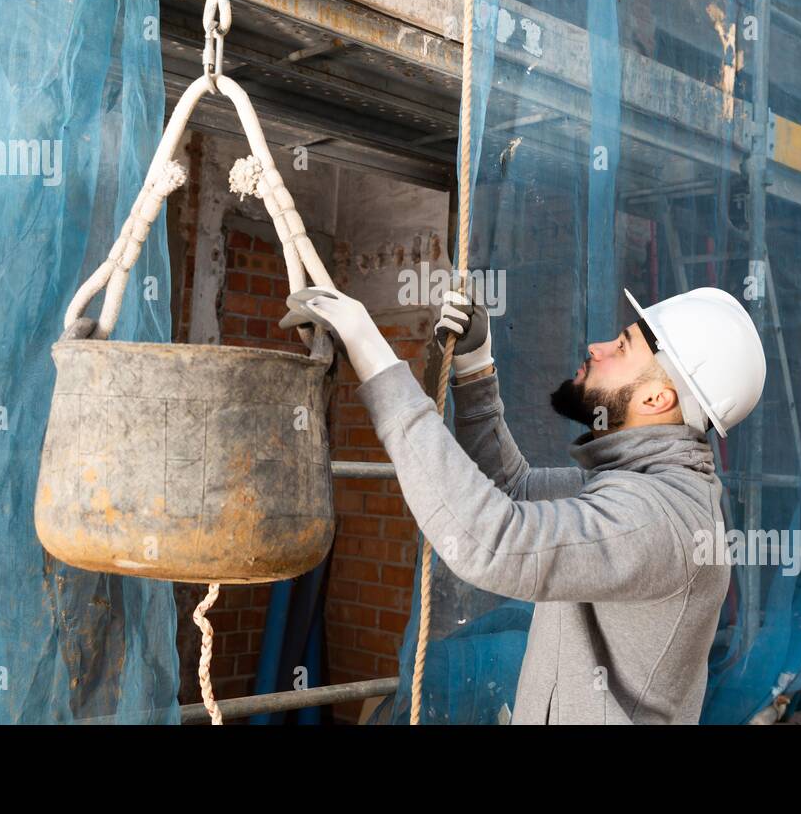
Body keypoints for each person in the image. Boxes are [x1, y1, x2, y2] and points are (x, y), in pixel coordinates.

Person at [282, 280, 766, 724]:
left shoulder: (652, 519)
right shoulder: (636, 486)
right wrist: (474, 369)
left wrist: (374, 358)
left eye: (622, 347)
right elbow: (513, 490)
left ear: (658, 400)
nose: (596, 348)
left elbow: (491, 542)